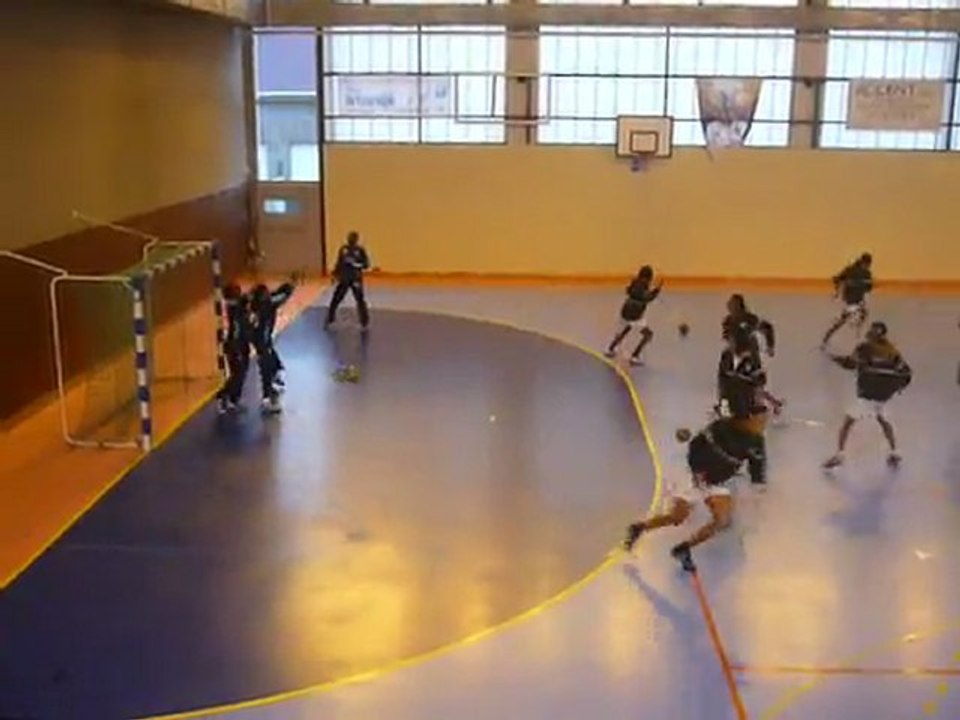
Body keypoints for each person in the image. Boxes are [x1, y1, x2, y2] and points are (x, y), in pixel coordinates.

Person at [622, 412, 767, 572]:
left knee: (721, 520)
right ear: (747, 419)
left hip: (716, 481)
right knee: (677, 517)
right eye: (760, 419)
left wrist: (758, 486)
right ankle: (639, 527)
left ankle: (683, 549)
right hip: (692, 474)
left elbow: (757, 466)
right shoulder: (721, 427)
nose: (763, 424)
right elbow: (695, 445)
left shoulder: (757, 441)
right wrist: (697, 471)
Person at [823, 320, 911, 469]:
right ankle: (894, 452)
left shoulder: (864, 348)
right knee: (884, 421)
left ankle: (840, 454)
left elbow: (850, 364)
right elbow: (906, 373)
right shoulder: (892, 351)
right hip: (883, 396)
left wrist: (833, 358)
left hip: (867, 395)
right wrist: (897, 389)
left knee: (848, 423)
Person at [722, 294, 783, 415]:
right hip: (737, 357)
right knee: (737, 381)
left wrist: (770, 346)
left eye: (732, 303)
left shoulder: (750, 319)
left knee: (753, 382)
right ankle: (770, 403)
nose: (728, 305)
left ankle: (768, 404)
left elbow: (767, 328)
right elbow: (729, 339)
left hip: (750, 356)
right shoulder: (728, 321)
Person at [250, 280, 296, 414]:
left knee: (269, 361)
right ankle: (267, 397)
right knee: (266, 367)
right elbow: (281, 297)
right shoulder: (268, 305)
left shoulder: (256, 304)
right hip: (262, 341)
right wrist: (290, 288)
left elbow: (276, 295)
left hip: (260, 339)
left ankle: (276, 372)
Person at [604, 265, 663, 366]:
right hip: (635, 313)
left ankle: (611, 349)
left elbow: (629, 291)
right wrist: (657, 290)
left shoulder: (635, 282)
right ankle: (635, 356)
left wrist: (653, 291)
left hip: (625, 310)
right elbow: (647, 298)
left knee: (626, 328)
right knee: (648, 335)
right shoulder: (644, 284)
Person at [821, 253, 873, 349]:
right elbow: (868, 289)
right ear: (867, 263)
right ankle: (858, 343)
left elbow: (837, 279)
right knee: (858, 320)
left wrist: (837, 292)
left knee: (843, 321)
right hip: (856, 302)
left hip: (849, 300)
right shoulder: (866, 273)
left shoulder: (850, 269)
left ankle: (826, 338)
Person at [715, 326, 766, 420]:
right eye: (729, 340)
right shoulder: (727, 355)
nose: (729, 343)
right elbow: (723, 374)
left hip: (746, 394)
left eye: (731, 340)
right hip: (728, 393)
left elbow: (760, 376)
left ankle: (747, 412)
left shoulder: (752, 357)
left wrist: (754, 379)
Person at [216, 284, 253, 415]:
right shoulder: (235, 309)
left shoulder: (238, 306)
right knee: (238, 373)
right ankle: (223, 396)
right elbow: (237, 329)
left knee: (241, 372)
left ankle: (233, 400)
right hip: (235, 345)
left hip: (241, 344)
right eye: (236, 293)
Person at [325, 231, 371, 331]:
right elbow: (339, 263)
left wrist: (355, 264)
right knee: (336, 297)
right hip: (344, 278)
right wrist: (334, 275)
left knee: (360, 299)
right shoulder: (343, 249)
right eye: (349, 238)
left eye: (353, 238)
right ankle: (330, 318)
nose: (351, 240)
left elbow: (366, 265)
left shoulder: (360, 250)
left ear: (356, 240)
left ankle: (364, 321)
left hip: (355, 278)